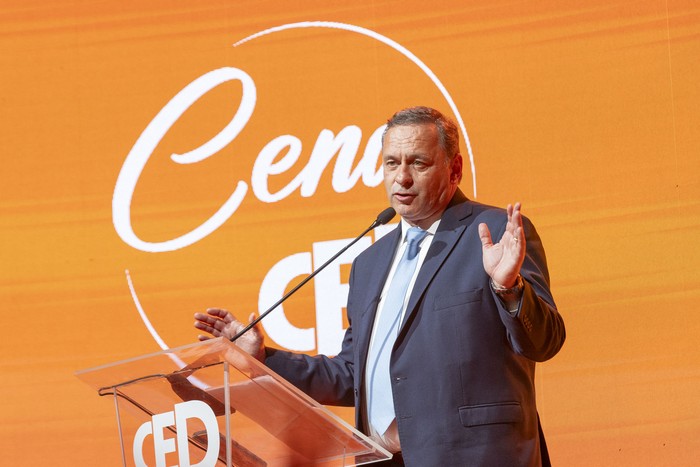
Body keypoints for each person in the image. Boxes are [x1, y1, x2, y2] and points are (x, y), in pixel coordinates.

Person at [194, 106, 566, 466]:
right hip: (381, 459)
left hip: (475, 456)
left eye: (418, 163)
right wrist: (261, 357)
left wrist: (509, 288)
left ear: (454, 170)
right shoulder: (369, 264)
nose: (401, 178)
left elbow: (544, 341)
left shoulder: (494, 233)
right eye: (392, 163)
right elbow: (350, 375)